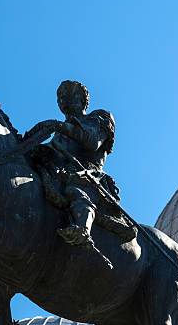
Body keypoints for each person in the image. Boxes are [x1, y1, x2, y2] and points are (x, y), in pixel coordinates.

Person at [29, 80, 117, 249]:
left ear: (83, 100)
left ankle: (83, 229)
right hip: (60, 171)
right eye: (60, 97)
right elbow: (50, 151)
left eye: (70, 94)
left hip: (87, 174)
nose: (64, 99)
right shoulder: (59, 134)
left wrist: (61, 127)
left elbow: (93, 142)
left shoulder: (99, 118)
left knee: (75, 188)